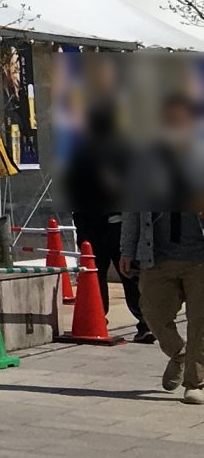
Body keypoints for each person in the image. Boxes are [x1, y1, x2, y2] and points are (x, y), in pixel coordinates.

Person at [125, 96, 204, 402]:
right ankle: (179, 352)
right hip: (157, 255)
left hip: (199, 257)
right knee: (152, 312)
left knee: (200, 321)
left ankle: (195, 384)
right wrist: (127, 249)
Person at [65, 102, 147, 341]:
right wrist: (82, 231)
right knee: (95, 275)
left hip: (119, 225)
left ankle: (145, 323)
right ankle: (97, 318)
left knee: (129, 275)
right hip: (94, 226)